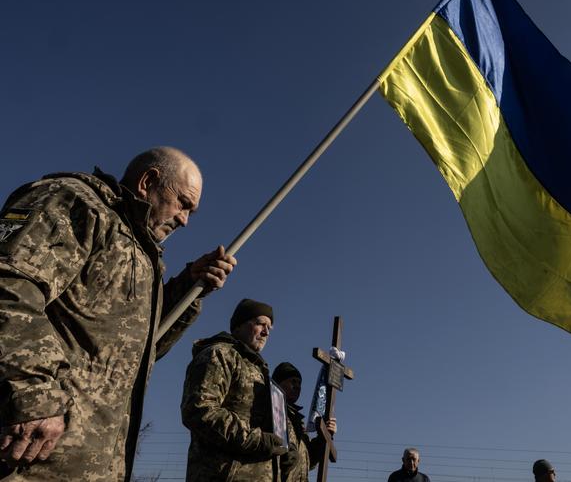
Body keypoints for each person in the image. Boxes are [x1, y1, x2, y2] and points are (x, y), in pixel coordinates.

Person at [0, 147, 237, 481]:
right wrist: (33, 393)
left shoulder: (145, 257)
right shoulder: (74, 202)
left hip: (95, 465)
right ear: (147, 181)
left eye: (192, 212)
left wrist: (189, 286)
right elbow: (10, 286)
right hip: (33, 456)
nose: (185, 220)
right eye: (183, 203)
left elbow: (143, 348)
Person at [181, 298, 288, 482]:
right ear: (239, 325)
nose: (265, 332)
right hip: (221, 475)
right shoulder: (220, 354)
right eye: (260, 324)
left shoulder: (259, 371)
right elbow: (199, 410)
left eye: (269, 328)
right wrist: (256, 440)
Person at [271, 362, 337, 482]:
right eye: (293, 381)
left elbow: (309, 462)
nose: (297, 386)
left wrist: (324, 436)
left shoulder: (298, 422)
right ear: (278, 383)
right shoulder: (271, 410)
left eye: (299, 383)